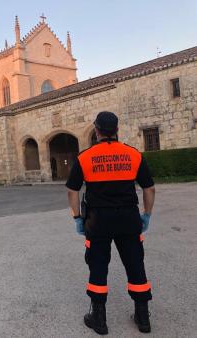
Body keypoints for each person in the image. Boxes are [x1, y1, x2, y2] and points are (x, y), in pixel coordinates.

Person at [66, 111, 155, 335]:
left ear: (96, 131)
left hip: (98, 222)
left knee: (97, 267)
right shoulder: (133, 155)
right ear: (116, 130)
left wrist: (77, 217)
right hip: (129, 219)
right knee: (135, 265)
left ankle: (99, 319)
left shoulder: (85, 157)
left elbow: (72, 190)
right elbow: (149, 188)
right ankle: (143, 318)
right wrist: (147, 215)